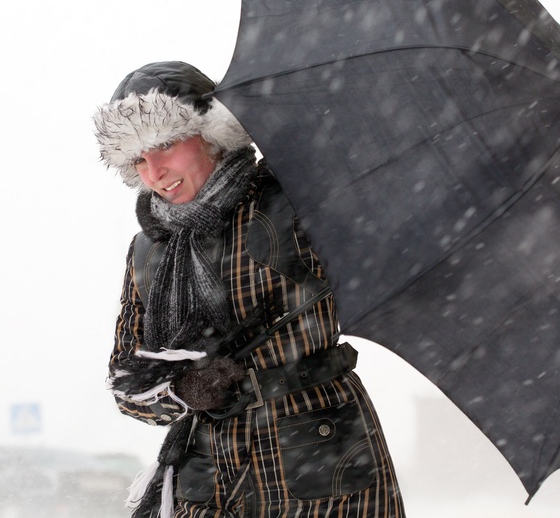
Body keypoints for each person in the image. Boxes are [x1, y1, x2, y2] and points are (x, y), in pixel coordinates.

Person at [95, 61, 404, 517]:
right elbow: (127, 386)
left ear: (211, 134)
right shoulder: (148, 251)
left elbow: (387, 263)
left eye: (164, 145)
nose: (155, 170)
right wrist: (184, 390)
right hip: (209, 478)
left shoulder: (293, 202)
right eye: (139, 159)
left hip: (321, 460)